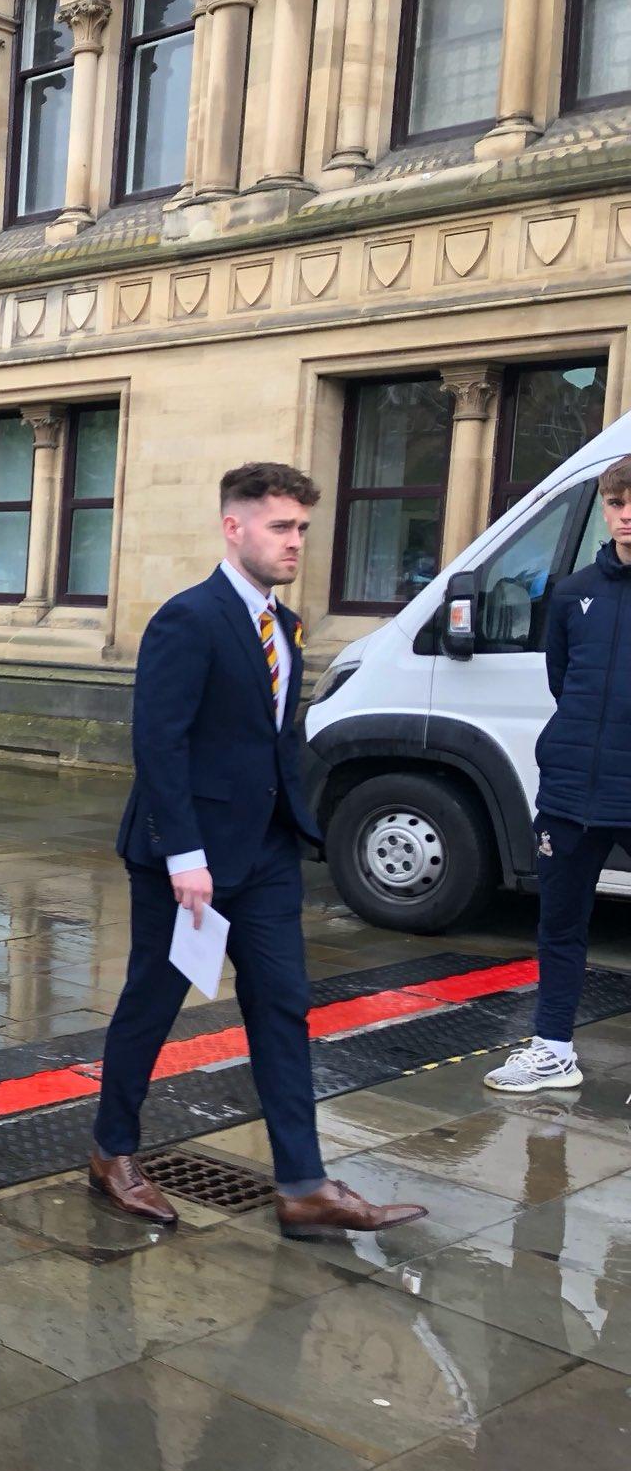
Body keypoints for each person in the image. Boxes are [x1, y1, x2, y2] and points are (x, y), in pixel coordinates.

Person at [91, 462, 427, 1237]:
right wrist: (184, 858)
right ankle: (113, 1151)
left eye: (303, 528)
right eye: (281, 526)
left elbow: (273, 737)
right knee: (152, 1003)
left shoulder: (284, 624)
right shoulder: (190, 618)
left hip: (269, 851)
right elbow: (160, 745)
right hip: (190, 862)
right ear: (233, 527)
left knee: (283, 1005)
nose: (296, 542)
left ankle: (303, 1185)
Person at [488, 455, 631, 1092]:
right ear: (606, 510)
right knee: (561, 926)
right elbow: (562, 682)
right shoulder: (574, 594)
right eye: (617, 504)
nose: (627, 517)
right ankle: (552, 1050)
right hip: (572, 791)